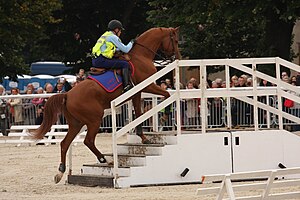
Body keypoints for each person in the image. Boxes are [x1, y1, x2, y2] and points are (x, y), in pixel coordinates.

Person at [91, 19, 135, 92]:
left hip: (96, 59)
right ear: (116, 29)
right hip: (102, 60)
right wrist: (132, 42)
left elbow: (111, 50)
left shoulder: (105, 35)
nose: (120, 32)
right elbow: (126, 49)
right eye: (120, 30)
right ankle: (126, 86)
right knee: (125, 64)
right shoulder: (113, 37)